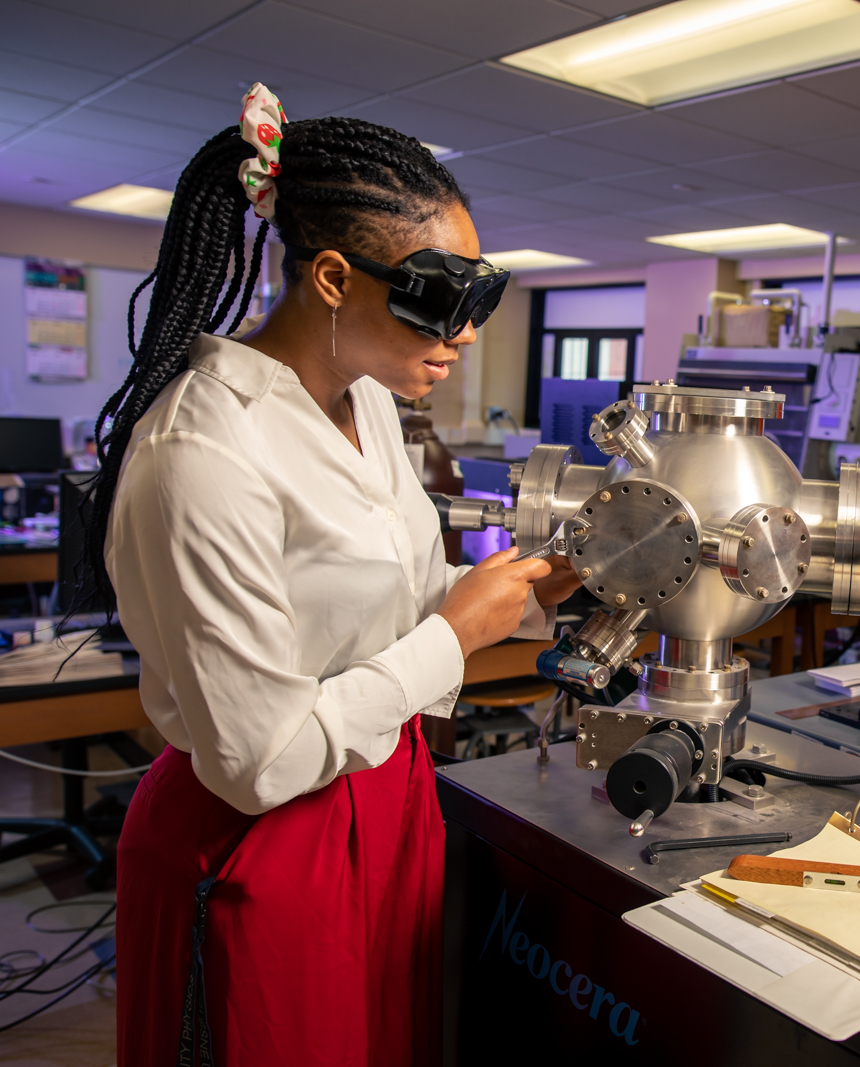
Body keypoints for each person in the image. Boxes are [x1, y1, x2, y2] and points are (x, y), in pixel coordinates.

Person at [86, 85, 581, 1065]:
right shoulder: (203, 450)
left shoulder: (367, 405)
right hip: (258, 836)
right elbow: (257, 760)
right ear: (329, 276)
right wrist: (455, 634)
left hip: (385, 793)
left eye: (481, 295)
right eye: (440, 295)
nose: (467, 331)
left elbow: (389, 600)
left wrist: (527, 603)